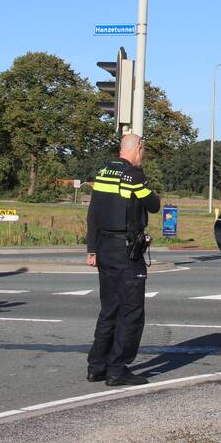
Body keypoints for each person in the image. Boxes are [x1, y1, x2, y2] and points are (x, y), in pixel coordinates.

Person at [85, 133, 161, 386]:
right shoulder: (134, 176)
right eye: (144, 151)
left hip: (105, 247)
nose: (144, 156)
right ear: (137, 148)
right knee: (131, 311)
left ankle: (97, 366)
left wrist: (91, 249)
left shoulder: (104, 172)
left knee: (109, 308)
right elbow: (153, 205)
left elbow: (93, 212)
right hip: (127, 250)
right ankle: (118, 368)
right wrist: (142, 182)